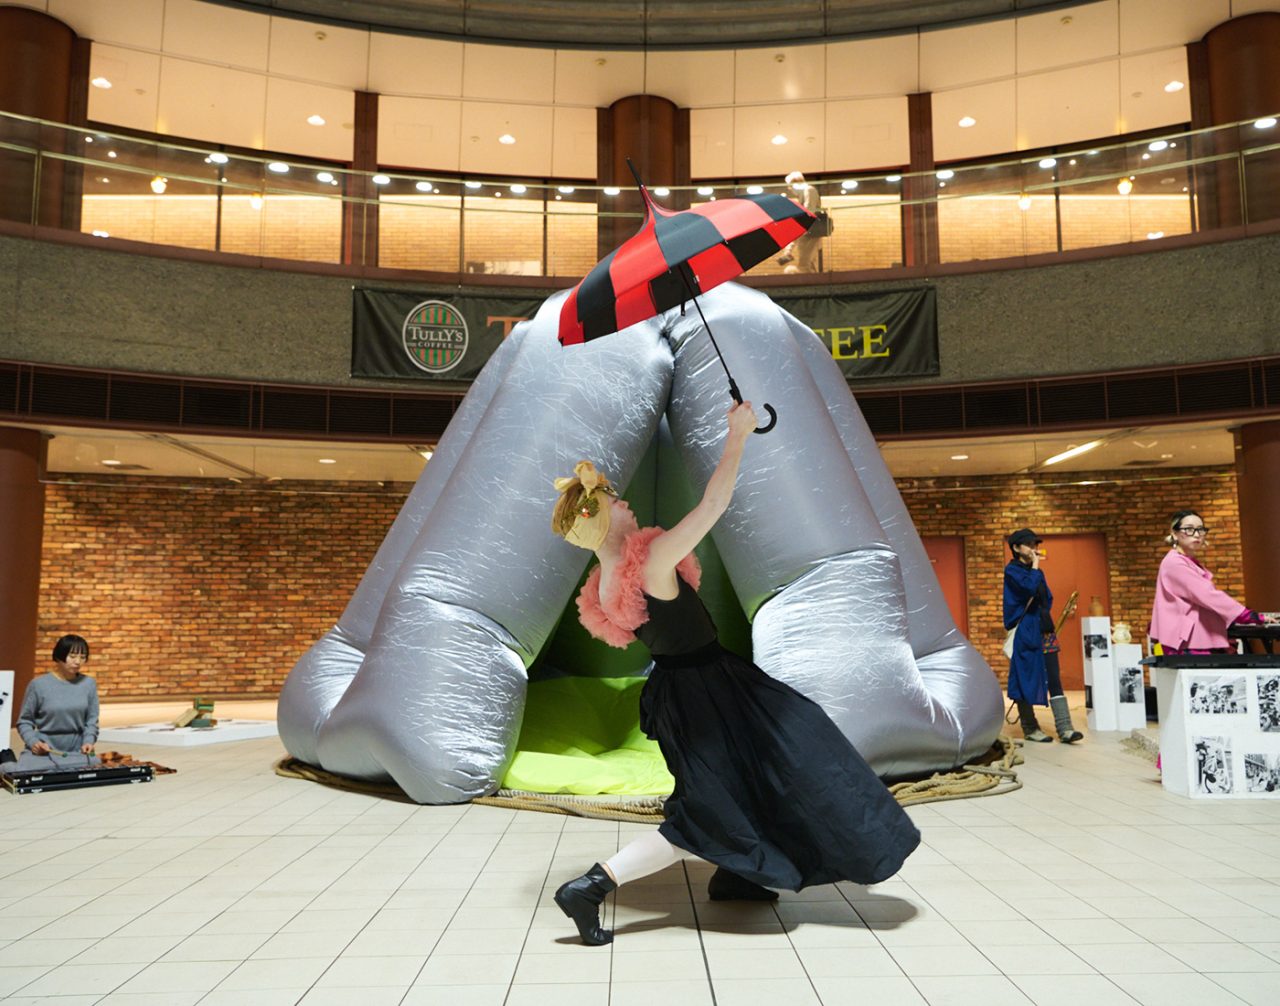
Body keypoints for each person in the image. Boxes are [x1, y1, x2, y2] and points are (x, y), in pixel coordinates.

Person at [548, 403, 921, 946]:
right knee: (719, 805)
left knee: (746, 776)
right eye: (612, 501)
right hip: (708, 692)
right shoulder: (650, 564)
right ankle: (590, 887)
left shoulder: (605, 583)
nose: (623, 503)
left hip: (686, 691)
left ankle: (740, 874)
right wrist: (738, 434)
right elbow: (714, 504)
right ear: (602, 520)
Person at [1149, 509, 1277, 654]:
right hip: (1187, 643)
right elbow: (1209, 595)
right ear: (1174, 533)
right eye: (1189, 529)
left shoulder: (1186, 561)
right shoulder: (1175, 563)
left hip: (1194, 638)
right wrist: (1249, 616)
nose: (1196, 534)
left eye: (1200, 529)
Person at [1004, 529, 1083, 744]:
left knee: (1054, 677)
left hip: (1044, 630)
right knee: (1025, 677)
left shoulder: (1036, 572)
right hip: (1025, 633)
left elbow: (1046, 597)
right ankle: (1030, 727)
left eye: (1035, 545)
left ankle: (1065, 729)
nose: (1034, 549)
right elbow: (1029, 588)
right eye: (1029, 545)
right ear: (1016, 548)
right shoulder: (1012, 571)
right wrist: (1036, 566)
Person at [15, 634, 100, 770]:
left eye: (82, 657)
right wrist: (34, 742)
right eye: (72, 656)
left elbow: (91, 721)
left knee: (95, 768)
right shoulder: (38, 685)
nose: (78, 662)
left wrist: (88, 741)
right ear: (59, 656)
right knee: (23, 771)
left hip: (77, 751)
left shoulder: (89, 684)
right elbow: (24, 721)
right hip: (45, 749)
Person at [777, 170, 823, 273]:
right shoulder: (804, 194)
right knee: (808, 263)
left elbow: (808, 213)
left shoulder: (809, 190)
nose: (789, 189)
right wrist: (788, 249)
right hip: (808, 233)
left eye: (790, 186)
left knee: (805, 264)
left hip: (811, 233)